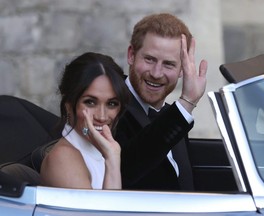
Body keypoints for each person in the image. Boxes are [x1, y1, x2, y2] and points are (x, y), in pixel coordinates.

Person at [115, 13, 208, 191]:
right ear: (131, 55)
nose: (157, 73)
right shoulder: (110, 107)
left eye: (169, 64)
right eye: (149, 59)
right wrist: (187, 102)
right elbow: (127, 170)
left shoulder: (172, 115)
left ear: (182, 69)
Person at [40, 52, 130, 189]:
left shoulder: (99, 152)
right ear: (69, 105)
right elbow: (107, 211)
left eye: (111, 104)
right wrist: (112, 160)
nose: (102, 116)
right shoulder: (64, 158)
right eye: (90, 102)